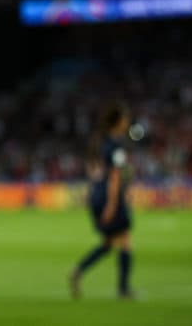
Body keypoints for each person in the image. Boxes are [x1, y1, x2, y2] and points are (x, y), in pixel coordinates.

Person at [69, 106, 135, 299]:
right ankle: (123, 290)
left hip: (98, 195)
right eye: (125, 118)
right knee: (125, 242)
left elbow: (97, 171)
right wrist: (113, 204)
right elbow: (115, 176)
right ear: (118, 122)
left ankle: (78, 271)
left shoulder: (104, 143)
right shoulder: (116, 146)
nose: (127, 121)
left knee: (107, 244)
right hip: (109, 197)